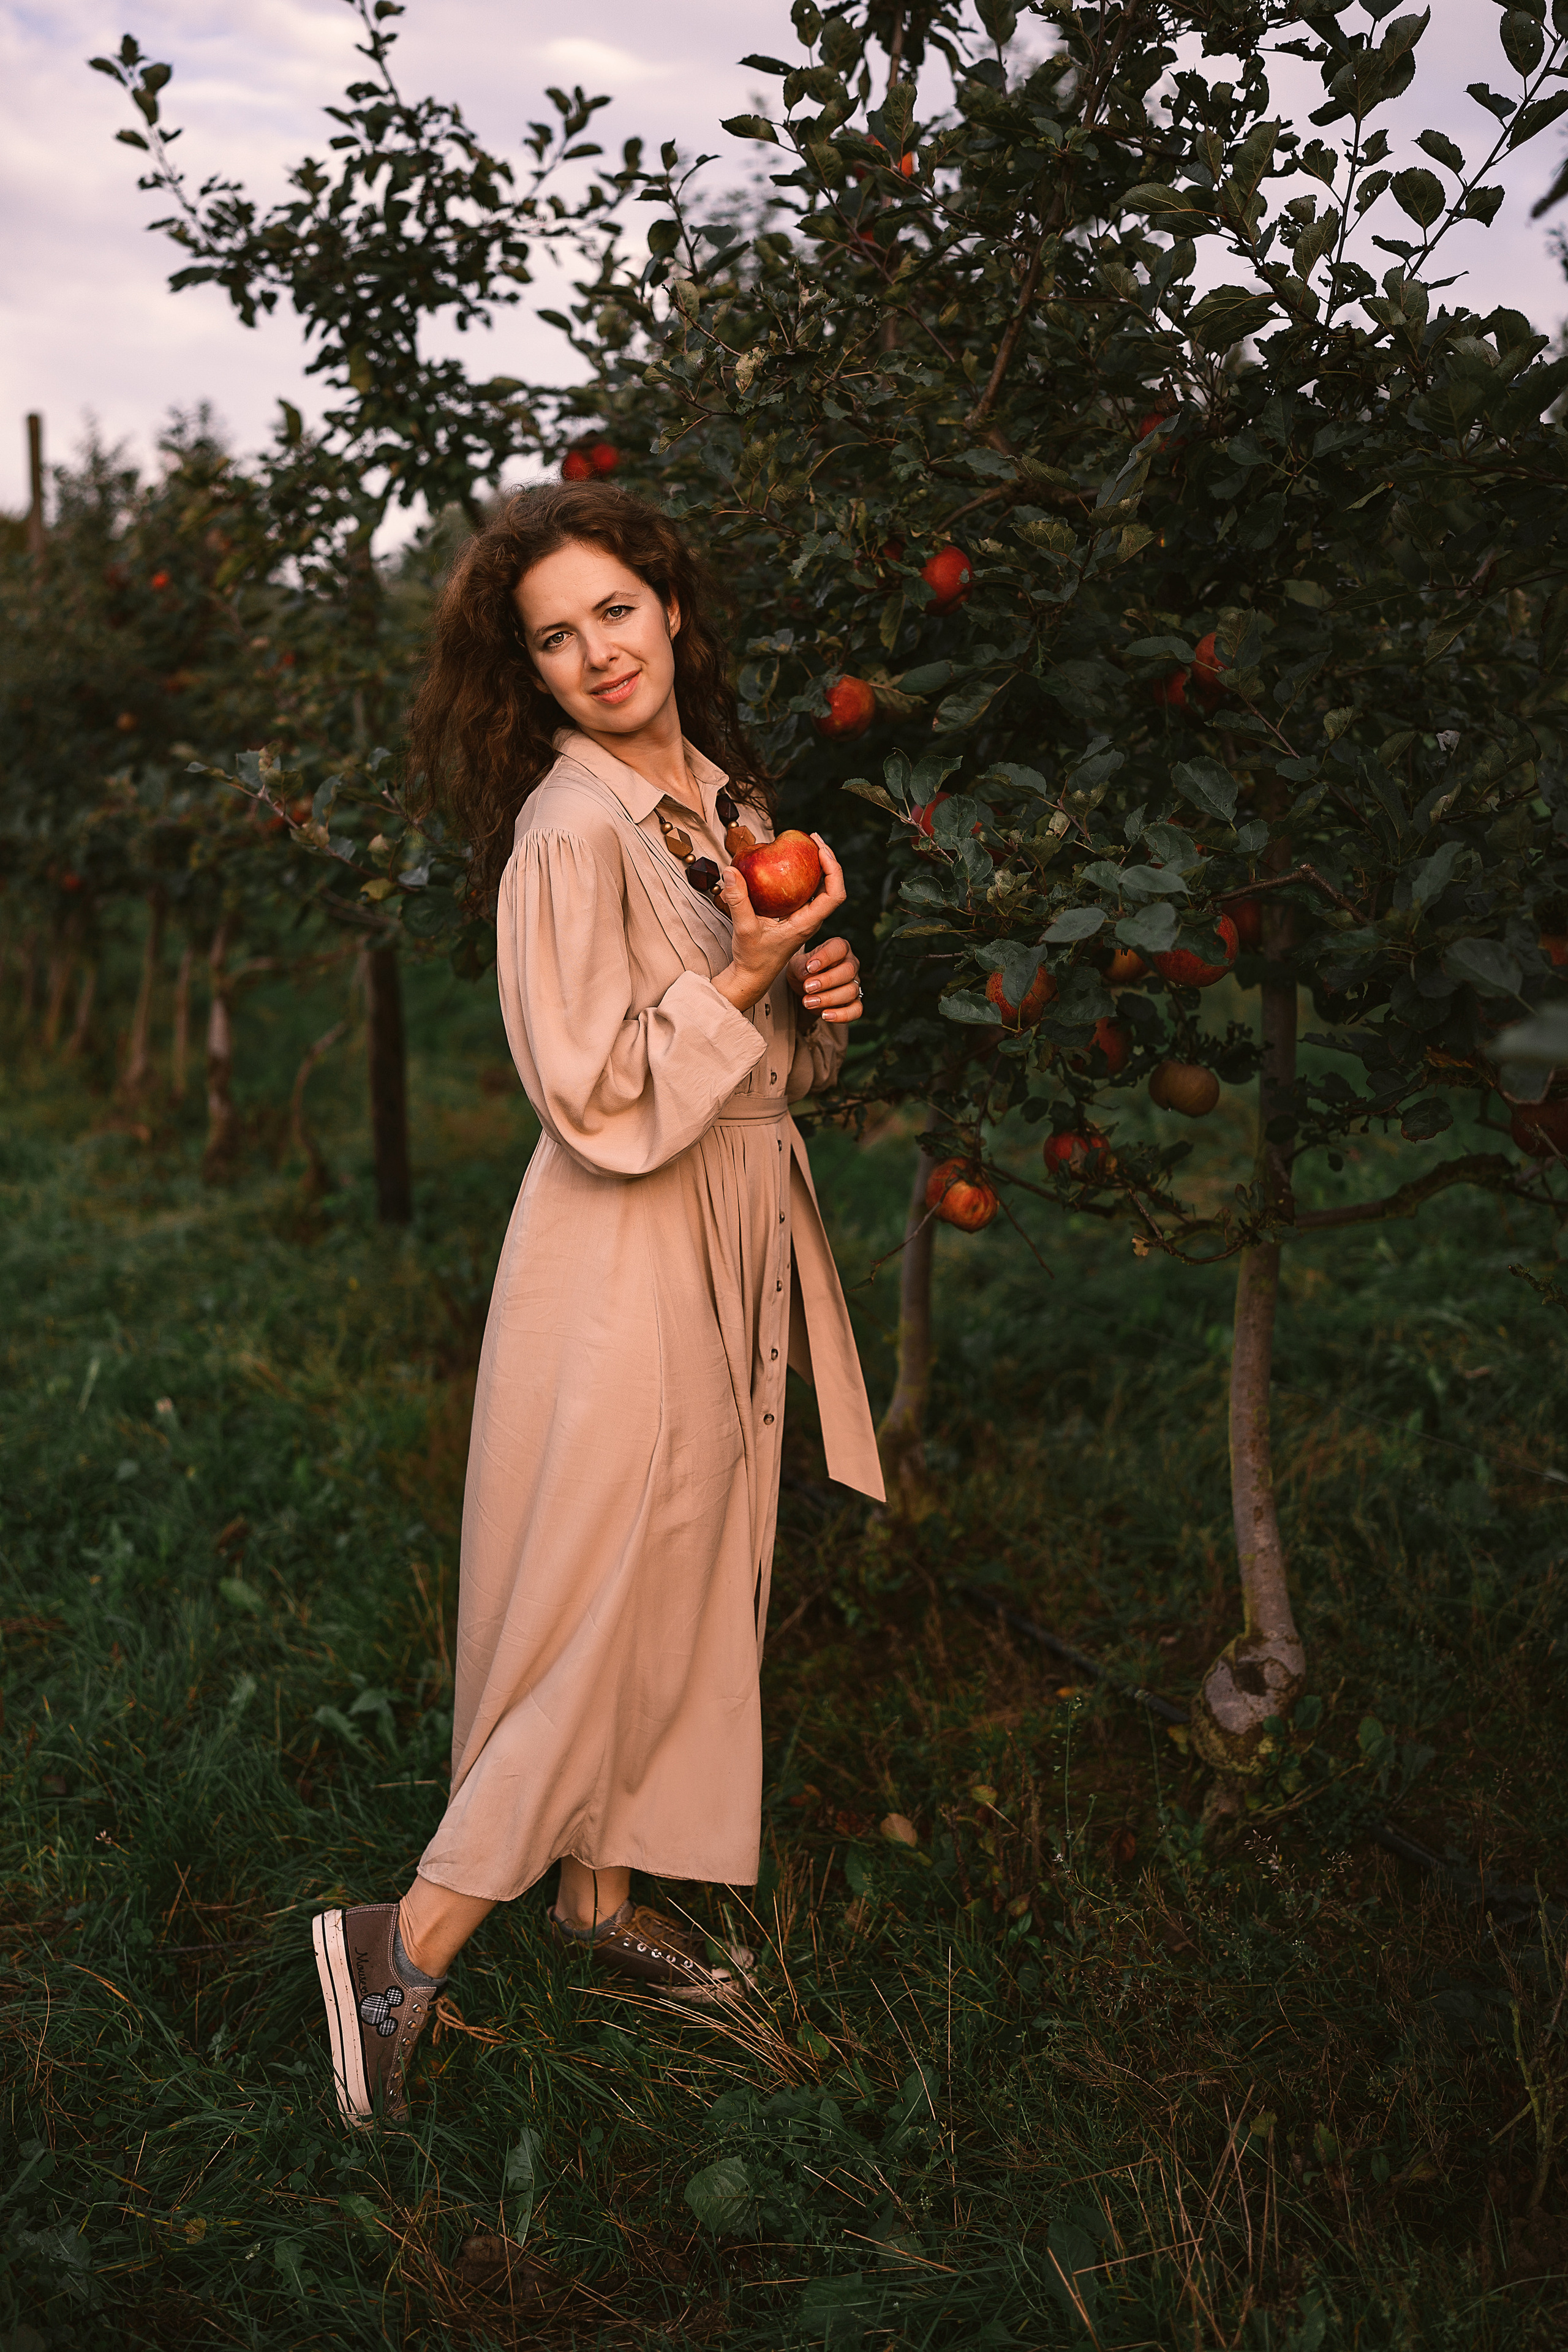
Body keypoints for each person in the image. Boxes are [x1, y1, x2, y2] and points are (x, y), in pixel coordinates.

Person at [312, 482, 885, 2126]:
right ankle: (405, 1941)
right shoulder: (569, 834)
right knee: (608, 1585)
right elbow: (594, 1099)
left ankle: (596, 1895)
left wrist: (818, 1003)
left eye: (616, 611)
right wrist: (747, 977)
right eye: (556, 637)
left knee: (692, 1570)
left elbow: (755, 1067)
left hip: (730, 1216)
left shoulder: (723, 802)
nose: (598, 652)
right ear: (533, 672)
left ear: (672, 608)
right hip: (624, 1246)